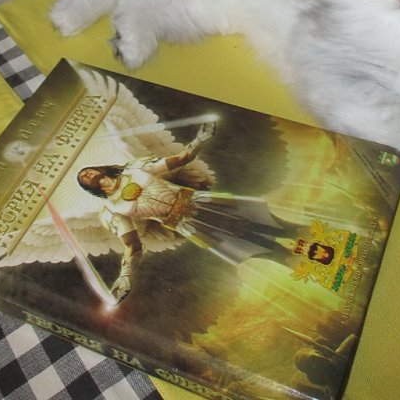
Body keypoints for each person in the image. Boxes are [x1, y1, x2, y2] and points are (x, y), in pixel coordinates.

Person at [76, 122, 300, 303]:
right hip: (189, 224)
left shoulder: (135, 169)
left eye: (86, 171)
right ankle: (296, 262)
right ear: (89, 188)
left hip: (203, 202)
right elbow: (132, 245)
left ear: (100, 168)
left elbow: (181, 159)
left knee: (268, 222)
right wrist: (126, 276)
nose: (85, 174)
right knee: (249, 243)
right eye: (82, 178)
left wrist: (200, 139)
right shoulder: (112, 210)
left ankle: (305, 236)